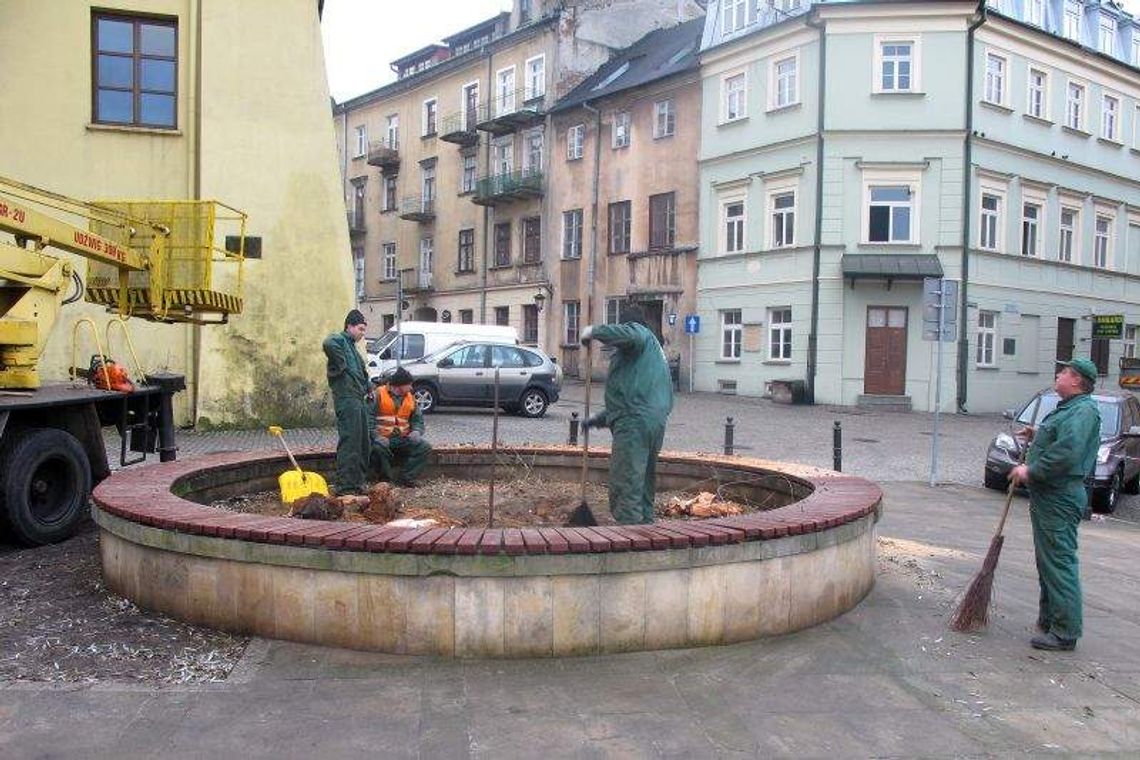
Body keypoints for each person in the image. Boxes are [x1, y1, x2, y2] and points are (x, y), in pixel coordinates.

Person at [1008, 358, 1101, 652]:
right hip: (1050, 496)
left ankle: (1064, 631)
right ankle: (1050, 620)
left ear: (1076, 380)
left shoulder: (1083, 411)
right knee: (1048, 561)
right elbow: (1062, 438)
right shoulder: (1070, 408)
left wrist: (1031, 470)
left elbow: (1068, 453)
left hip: (1060, 497)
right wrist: (1038, 434)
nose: (1058, 375)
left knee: (1059, 562)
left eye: (1064, 372)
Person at [580, 305, 673, 524]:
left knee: (626, 483)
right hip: (653, 423)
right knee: (643, 483)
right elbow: (632, 398)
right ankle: (646, 530)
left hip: (635, 425)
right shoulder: (651, 353)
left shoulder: (640, 334)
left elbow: (633, 409)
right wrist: (597, 420)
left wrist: (594, 331)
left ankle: (628, 534)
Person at [323, 309, 371, 495]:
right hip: (347, 399)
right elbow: (328, 343)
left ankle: (358, 481)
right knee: (350, 441)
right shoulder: (340, 340)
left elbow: (360, 371)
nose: (362, 333)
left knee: (363, 442)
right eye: (360, 329)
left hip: (358, 398)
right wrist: (341, 365)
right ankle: (345, 485)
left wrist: (368, 387)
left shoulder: (353, 347)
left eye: (364, 330)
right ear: (349, 326)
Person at [372, 366, 431, 487]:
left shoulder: (410, 397)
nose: (411, 388)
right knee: (378, 449)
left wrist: (416, 431)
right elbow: (367, 418)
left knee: (424, 447)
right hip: (382, 439)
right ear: (400, 385)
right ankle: (386, 481)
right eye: (409, 384)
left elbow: (417, 419)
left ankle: (407, 478)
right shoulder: (378, 394)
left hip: (403, 438)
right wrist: (376, 436)